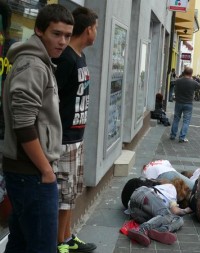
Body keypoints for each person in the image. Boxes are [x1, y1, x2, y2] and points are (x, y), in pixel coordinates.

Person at [2, 4, 74, 253]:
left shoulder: (41, 62)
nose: (63, 41)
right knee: (43, 247)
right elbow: (22, 123)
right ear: (39, 31)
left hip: (28, 172)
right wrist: (46, 171)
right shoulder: (33, 65)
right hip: (31, 173)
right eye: (56, 34)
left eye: (67, 35)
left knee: (21, 244)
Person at [52, 6, 98, 253]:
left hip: (77, 137)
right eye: (96, 28)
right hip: (64, 138)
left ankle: (67, 237)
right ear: (88, 29)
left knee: (72, 194)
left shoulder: (80, 56)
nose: (96, 32)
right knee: (64, 195)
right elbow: (53, 98)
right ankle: (60, 243)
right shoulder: (67, 58)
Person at [122, 177, 192, 246]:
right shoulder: (172, 189)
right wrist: (187, 210)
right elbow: (175, 211)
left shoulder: (164, 190)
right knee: (166, 214)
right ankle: (141, 229)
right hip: (142, 195)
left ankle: (160, 230)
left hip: (134, 210)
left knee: (179, 219)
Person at [170, 67, 200, 142]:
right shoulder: (193, 82)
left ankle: (173, 135)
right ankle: (182, 137)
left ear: (184, 72)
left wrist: (181, 75)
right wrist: (198, 78)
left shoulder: (178, 81)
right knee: (186, 121)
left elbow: (172, 83)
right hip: (188, 103)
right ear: (191, 74)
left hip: (178, 102)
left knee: (176, 119)